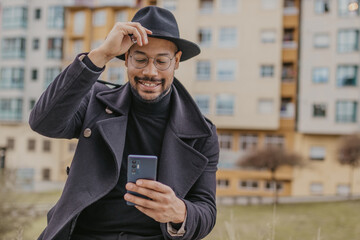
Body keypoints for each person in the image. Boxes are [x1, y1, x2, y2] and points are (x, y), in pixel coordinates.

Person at [29, 6, 219, 240]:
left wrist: (180, 212)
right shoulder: (94, 102)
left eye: (162, 61)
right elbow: (43, 122)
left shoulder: (203, 133)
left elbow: (207, 209)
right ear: (126, 58)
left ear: (176, 62)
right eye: (140, 59)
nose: (150, 72)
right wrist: (100, 55)